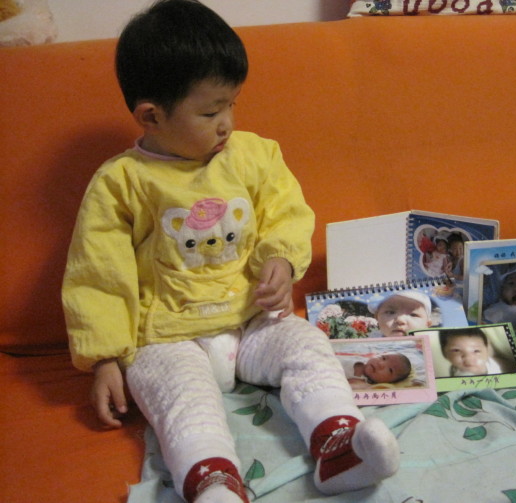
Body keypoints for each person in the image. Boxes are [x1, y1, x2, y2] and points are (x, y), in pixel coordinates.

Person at [61, 2, 399, 502]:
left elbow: (286, 214)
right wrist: (105, 359)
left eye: (232, 105)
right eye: (210, 111)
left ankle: (339, 446)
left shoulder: (255, 155)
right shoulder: (121, 183)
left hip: (251, 320)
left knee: (307, 345)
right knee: (181, 397)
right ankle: (213, 482)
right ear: (152, 116)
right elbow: (98, 274)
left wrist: (280, 261)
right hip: (167, 338)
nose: (227, 123)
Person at [368, 290, 433, 337]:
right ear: (377, 318)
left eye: (413, 315)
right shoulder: (370, 345)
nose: (400, 320)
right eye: (391, 312)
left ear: (427, 324)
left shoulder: (432, 347)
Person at [339, 352, 413, 390]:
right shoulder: (358, 358)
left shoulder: (364, 385)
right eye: (383, 358)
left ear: (390, 382)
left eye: (390, 370)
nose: (381, 364)